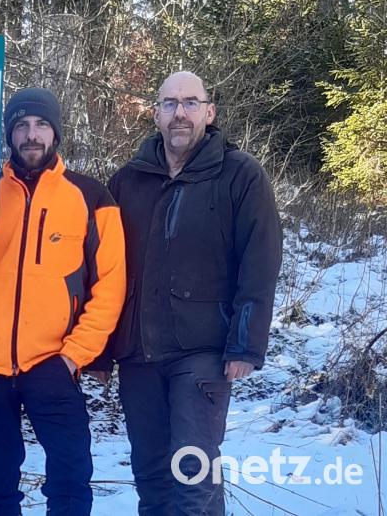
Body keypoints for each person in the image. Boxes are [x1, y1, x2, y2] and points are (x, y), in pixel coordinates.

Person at [91, 71, 283, 516]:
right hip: (138, 352)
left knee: (193, 474)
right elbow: (106, 270)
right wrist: (100, 350)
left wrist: (245, 344)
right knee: (152, 477)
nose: (180, 113)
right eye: (170, 104)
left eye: (190, 103)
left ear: (209, 112)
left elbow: (260, 262)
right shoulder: (128, 181)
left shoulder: (239, 174)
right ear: (155, 114)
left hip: (203, 350)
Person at [0, 87, 127, 516]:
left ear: (56, 133)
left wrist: (73, 357)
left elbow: (110, 286)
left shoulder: (90, 198)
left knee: (69, 477)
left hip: (53, 364)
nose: (32, 135)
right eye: (22, 126)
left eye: (41, 125)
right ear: (10, 135)